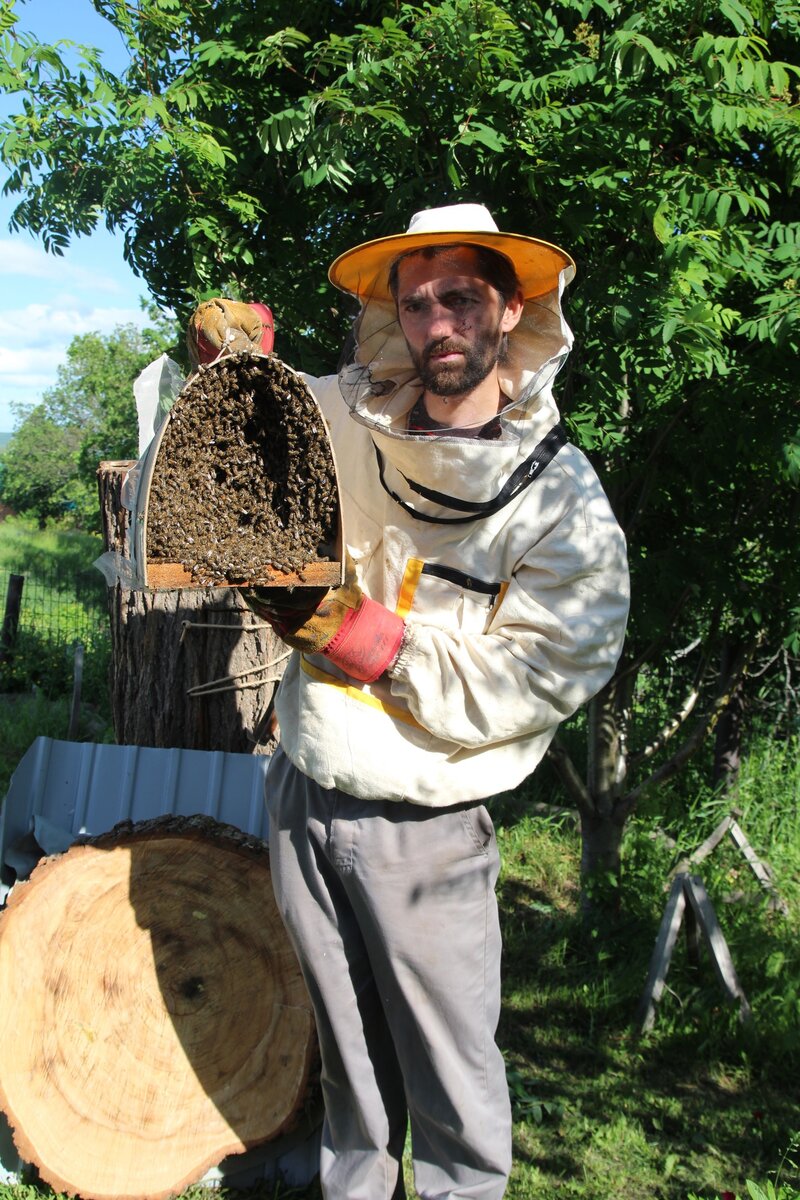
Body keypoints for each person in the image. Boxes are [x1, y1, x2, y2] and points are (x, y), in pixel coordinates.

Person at [194, 203, 629, 1200]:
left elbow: (543, 670)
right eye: (417, 300)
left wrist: (365, 639)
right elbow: (266, 422)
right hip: (303, 788)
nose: (437, 322)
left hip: (424, 827)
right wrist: (238, 364)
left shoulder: (561, 502)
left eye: (461, 298)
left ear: (510, 308)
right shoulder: (353, 415)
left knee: (449, 1091)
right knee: (347, 1065)